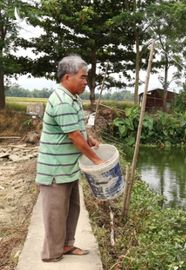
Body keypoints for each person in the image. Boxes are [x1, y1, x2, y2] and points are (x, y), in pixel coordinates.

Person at [36, 55, 104, 262]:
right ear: (67, 77)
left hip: (69, 168)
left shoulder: (73, 97)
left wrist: (89, 139)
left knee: (72, 209)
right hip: (55, 170)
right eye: (83, 77)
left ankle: (67, 245)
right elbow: (73, 136)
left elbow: (78, 129)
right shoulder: (62, 100)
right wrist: (96, 160)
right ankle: (51, 254)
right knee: (55, 213)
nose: (86, 82)